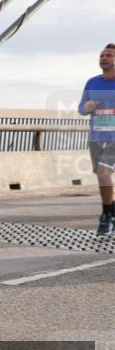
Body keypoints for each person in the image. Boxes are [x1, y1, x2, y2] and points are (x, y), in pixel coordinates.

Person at [78, 43, 115, 236]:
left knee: (103, 172)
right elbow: (81, 108)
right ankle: (112, 211)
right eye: (102, 55)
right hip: (96, 137)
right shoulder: (92, 82)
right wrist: (87, 107)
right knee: (103, 177)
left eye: (109, 55)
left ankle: (106, 216)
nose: (104, 58)